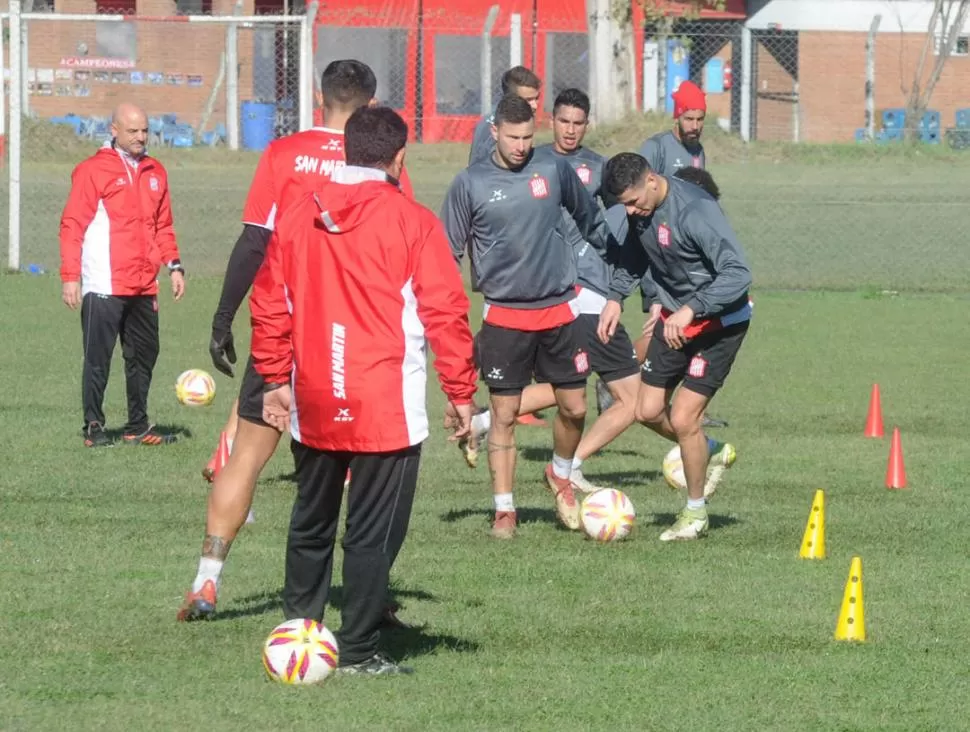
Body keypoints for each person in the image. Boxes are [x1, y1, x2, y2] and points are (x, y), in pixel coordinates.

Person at [177, 60, 414, 624]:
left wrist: (223, 316)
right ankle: (369, 600)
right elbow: (403, 243)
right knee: (370, 471)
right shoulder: (380, 158)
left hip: (285, 331)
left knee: (248, 455)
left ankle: (207, 582)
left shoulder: (283, 154)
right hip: (356, 342)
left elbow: (255, 241)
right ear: (373, 103)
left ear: (318, 95)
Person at [250, 105, 477, 675]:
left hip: (315, 395)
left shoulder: (299, 214)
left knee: (311, 520)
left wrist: (276, 378)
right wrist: (461, 392)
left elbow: (269, 301)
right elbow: (445, 312)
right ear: (399, 159)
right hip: (385, 405)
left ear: (345, 152)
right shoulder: (414, 222)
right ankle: (357, 650)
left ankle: (300, 629)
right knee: (372, 532)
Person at [441, 94, 615, 540]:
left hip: (559, 307)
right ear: (494, 132)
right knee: (504, 413)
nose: (521, 146)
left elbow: (589, 216)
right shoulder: (470, 183)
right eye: (513, 137)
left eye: (527, 137)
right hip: (504, 314)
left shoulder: (552, 169)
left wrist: (616, 268)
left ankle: (559, 473)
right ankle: (505, 510)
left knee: (574, 407)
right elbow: (447, 256)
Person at [598, 152, 752, 542]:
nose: (631, 212)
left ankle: (696, 513)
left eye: (633, 202)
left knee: (684, 418)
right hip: (675, 322)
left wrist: (692, 309)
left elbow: (738, 274)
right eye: (623, 206)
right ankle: (707, 448)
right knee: (647, 410)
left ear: (652, 180)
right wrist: (616, 296)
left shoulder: (697, 211)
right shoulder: (643, 213)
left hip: (719, 324)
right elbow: (635, 254)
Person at [59, 102, 184, 448]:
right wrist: (71, 275)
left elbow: (164, 226)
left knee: (144, 355)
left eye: (145, 130)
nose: (141, 137)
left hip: (144, 284)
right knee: (98, 357)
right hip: (103, 282)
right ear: (113, 130)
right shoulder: (92, 170)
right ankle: (94, 426)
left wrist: (174, 265)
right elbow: (72, 225)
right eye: (133, 131)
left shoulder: (156, 170)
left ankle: (137, 425)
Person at [468, 66, 541, 167]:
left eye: (537, 98)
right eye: (528, 100)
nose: (535, 106)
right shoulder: (498, 126)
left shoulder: (499, 117)